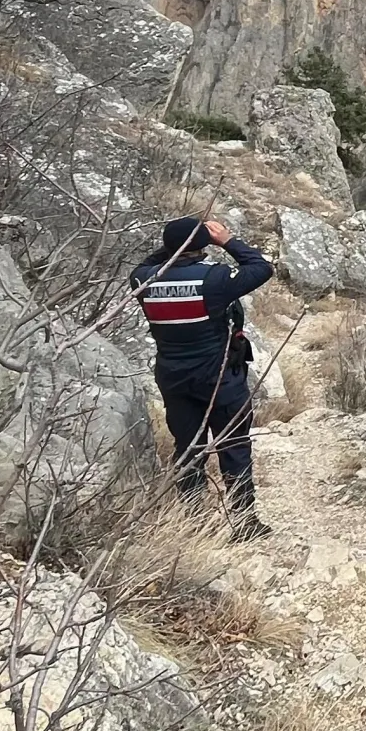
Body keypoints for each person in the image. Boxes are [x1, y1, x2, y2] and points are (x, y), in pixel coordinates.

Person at [131, 215, 276, 542]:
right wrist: (225, 240)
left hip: (173, 377)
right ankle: (244, 520)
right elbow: (260, 267)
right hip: (219, 377)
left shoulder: (142, 280)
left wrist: (174, 247)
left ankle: (194, 523)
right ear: (201, 247)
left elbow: (149, 262)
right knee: (234, 444)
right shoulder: (214, 278)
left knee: (188, 447)